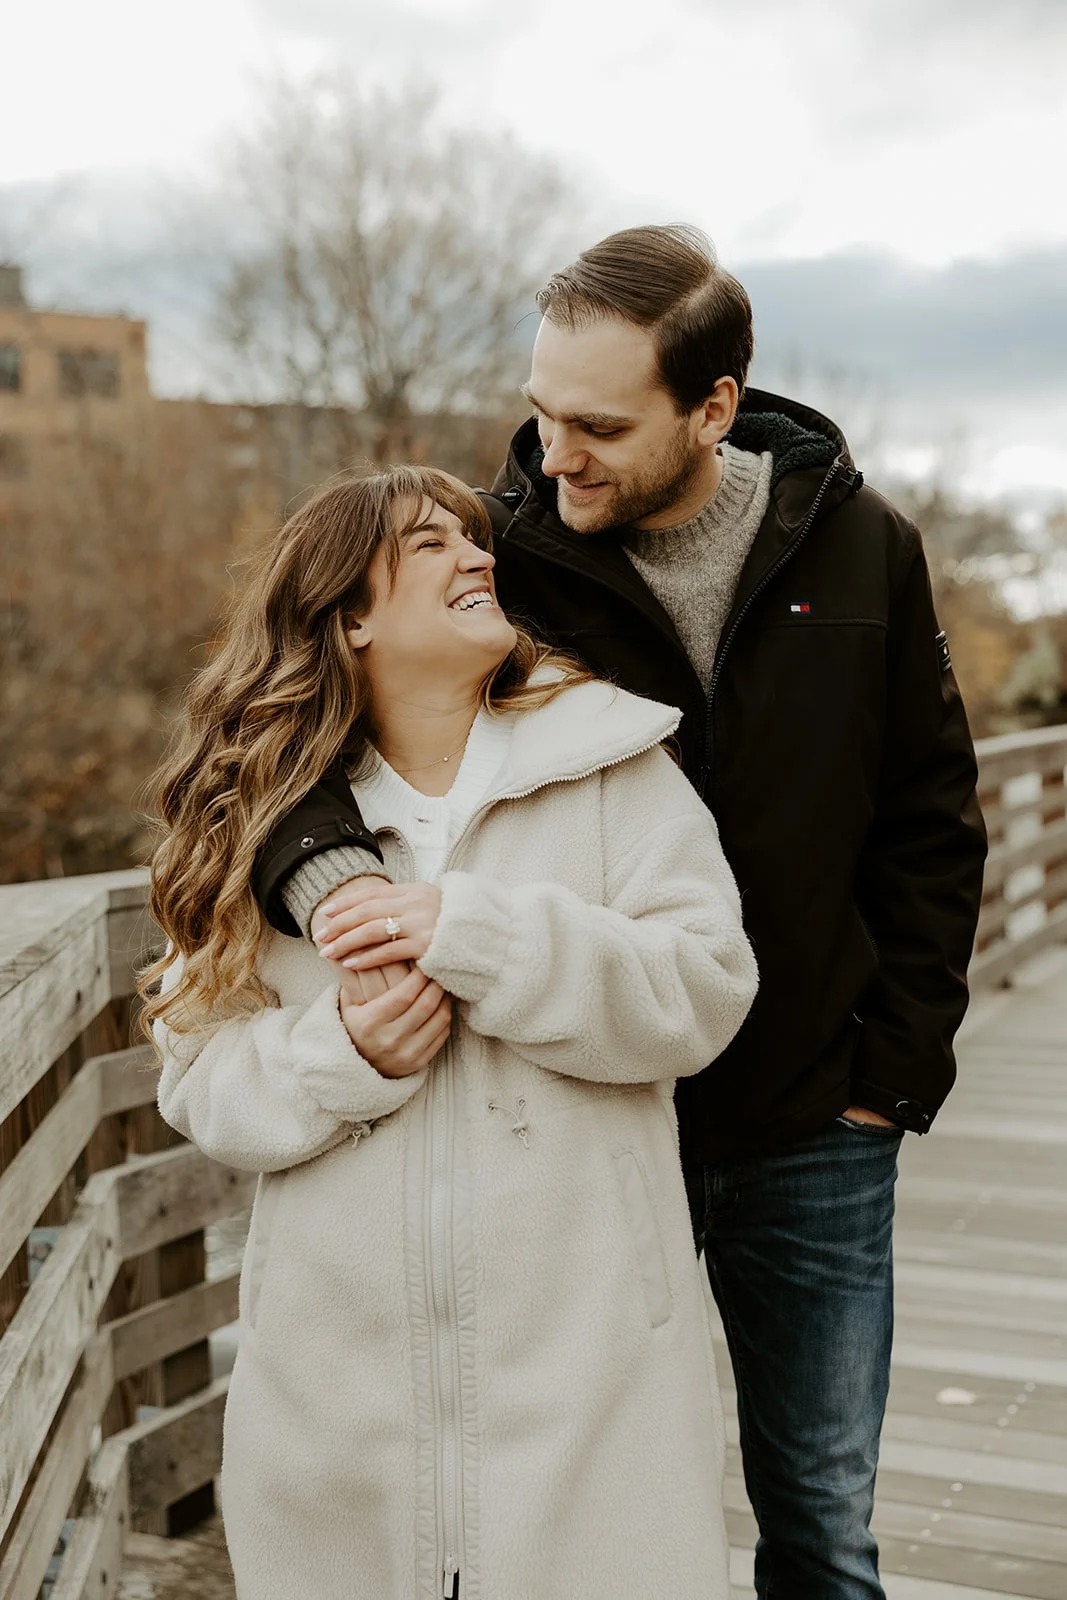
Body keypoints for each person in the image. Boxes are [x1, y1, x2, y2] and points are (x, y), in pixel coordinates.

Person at [255, 226, 988, 1598]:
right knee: (583, 1524)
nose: (554, 457)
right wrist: (334, 876)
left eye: (597, 426)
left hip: (808, 1122)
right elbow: (290, 734)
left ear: (712, 408)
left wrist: (885, 1080)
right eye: (540, 413)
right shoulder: (507, 558)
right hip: (574, 1121)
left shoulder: (863, 550)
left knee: (821, 1523)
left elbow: (929, 823)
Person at [143, 465, 758, 1600]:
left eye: (473, 540)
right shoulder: (260, 817)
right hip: (333, 1393)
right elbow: (199, 1077)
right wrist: (342, 1055)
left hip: (587, 1368)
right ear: (351, 617)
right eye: (429, 544)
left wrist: (484, 938)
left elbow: (703, 989)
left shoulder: (612, 765)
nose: (478, 556)